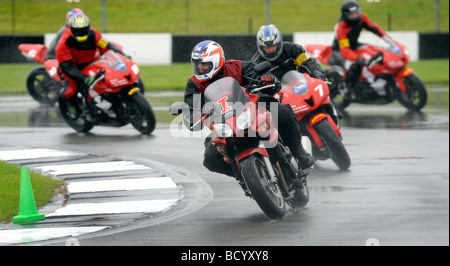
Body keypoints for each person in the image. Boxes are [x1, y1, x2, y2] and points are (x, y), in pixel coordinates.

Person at [184, 40, 314, 177]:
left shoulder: (236, 67)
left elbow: (260, 75)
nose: (200, 69)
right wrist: (192, 116)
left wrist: (268, 80)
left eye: (204, 65)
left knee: (283, 112)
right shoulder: (194, 83)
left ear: (216, 61)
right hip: (223, 124)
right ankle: (243, 177)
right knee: (210, 159)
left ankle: (298, 151)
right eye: (197, 65)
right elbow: (191, 107)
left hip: (252, 109)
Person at [55, 10, 126, 117]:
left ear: (88, 27)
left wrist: (121, 55)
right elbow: (67, 67)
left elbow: (106, 47)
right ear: (70, 29)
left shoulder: (94, 34)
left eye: (84, 30)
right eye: (77, 30)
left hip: (91, 62)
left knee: (111, 76)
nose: (81, 33)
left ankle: (114, 101)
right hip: (72, 69)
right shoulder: (63, 44)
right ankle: (72, 107)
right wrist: (84, 78)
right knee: (70, 91)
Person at [332, 0, 399, 96]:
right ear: (345, 15)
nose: (355, 16)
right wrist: (360, 60)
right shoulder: (341, 27)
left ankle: (371, 81)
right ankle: (346, 87)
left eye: (356, 13)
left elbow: (374, 28)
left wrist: (388, 40)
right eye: (352, 14)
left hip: (354, 46)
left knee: (374, 52)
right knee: (354, 66)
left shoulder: (361, 18)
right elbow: (345, 50)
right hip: (339, 50)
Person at [251, 24, 327, 82]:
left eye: (273, 46)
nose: (270, 50)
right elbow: (253, 81)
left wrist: (317, 74)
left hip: (299, 86)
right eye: (267, 47)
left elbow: (307, 63)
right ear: (260, 47)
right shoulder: (256, 62)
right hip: (276, 95)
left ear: (279, 43)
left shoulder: (293, 49)